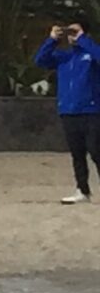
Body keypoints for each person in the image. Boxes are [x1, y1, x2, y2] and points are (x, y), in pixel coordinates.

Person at [37, 21, 100, 204]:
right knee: (77, 153)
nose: (71, 36)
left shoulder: (91, 54)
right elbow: (40, 60)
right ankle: (82, 190)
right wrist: (52, 40)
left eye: (74, 32)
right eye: (69, 33)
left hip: (91, 110)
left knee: (96, 151)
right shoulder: (64, 57)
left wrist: (83, 39)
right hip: (69, 111)